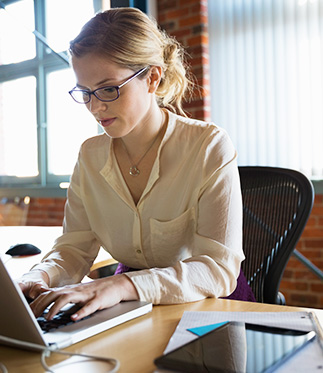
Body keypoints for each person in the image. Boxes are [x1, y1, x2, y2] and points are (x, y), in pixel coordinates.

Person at [19, 7, 255, 322]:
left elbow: (217, 269)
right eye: (85, 92)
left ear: (152, 78)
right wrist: (40, 276)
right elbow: (74, 249)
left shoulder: (207, 146)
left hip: (209, 306)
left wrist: (122, 284)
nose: (95, 107)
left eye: (108, 89)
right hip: (131, 302)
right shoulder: (90, 156)